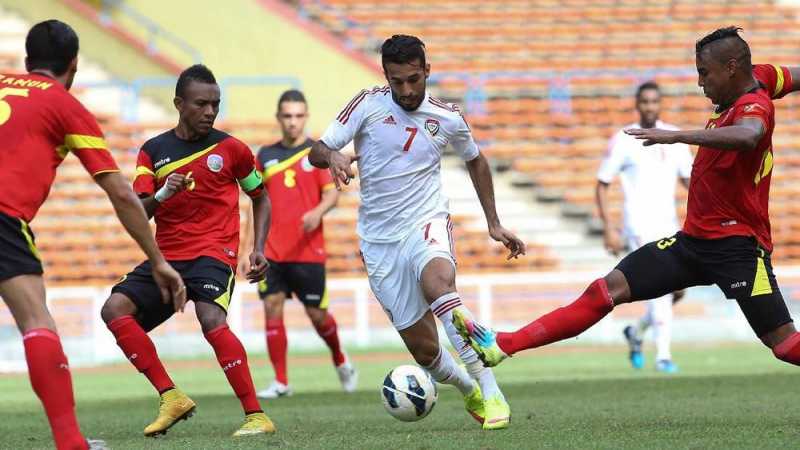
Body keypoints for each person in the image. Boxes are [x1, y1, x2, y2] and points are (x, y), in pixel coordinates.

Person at [454, 27, 800, 377]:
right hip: (694, 243)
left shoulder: (754, 105)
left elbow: (749, 134)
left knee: (785, 345)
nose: (700, 83)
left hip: (737, 250)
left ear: (730, 67)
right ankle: (503, 345)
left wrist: (677, 136)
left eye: (704, 73)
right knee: (606, 290)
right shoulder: (761, 76)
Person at [309, 34, 525, 430]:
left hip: (426, 221)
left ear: (427, 71)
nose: (406, 90)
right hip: (378, 241)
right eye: (397, 81)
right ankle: (467, 388)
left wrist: (493, 222)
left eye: (413, 79)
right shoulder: (367, 105)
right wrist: (334, 155)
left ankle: (491, 390)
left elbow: (476, 161)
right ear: (385, 75)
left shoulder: (448, 117)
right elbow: (315, 150)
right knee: (425, 351)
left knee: (439, 286)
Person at [0, 20, 185, 450]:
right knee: (37, 323)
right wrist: (158, 261)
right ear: (74, 65)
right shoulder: (65, 105)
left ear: (27, 60)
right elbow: (120, 192)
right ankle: (70, 443)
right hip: (4, 218)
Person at [99, 65, 275, 438]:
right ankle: (171, 396)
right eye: (201, 104)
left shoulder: (233, 150)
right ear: (179, 104)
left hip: (214, 252)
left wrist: (258, 249)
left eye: (215, 104)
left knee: (211, 318)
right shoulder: (153, 151)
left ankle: (256, 415)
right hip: (167, 258)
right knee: (114, 309)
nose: (210, 111)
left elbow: (261, 197)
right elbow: (139, 209)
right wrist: (162, 195)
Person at [239, 90, 356, 399]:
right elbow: (254, 202)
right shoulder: (263, 156)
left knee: (318, 316)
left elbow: (332, 193)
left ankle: (340, 359)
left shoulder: (316, 154)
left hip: (308, 251)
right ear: (279, 118)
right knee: (272, 307)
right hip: (272, 251)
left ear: (306, 117)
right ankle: (281, 382)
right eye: (287, 115)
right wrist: (247, 249)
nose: (293, 121)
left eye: (298, 115)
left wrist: (317, 213)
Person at [595, 81, 692, 373]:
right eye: (645, 101)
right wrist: (609, 227)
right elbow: (602, 184)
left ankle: (636, 333)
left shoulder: (674, 138)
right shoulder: (625, 139)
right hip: (637, 224)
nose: (649, 106)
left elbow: (691, 183)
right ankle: (663, 356)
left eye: (654, 101)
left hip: (669, 224)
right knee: (661, 290)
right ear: (637, 104)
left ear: (660, 104)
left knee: (677, 291)